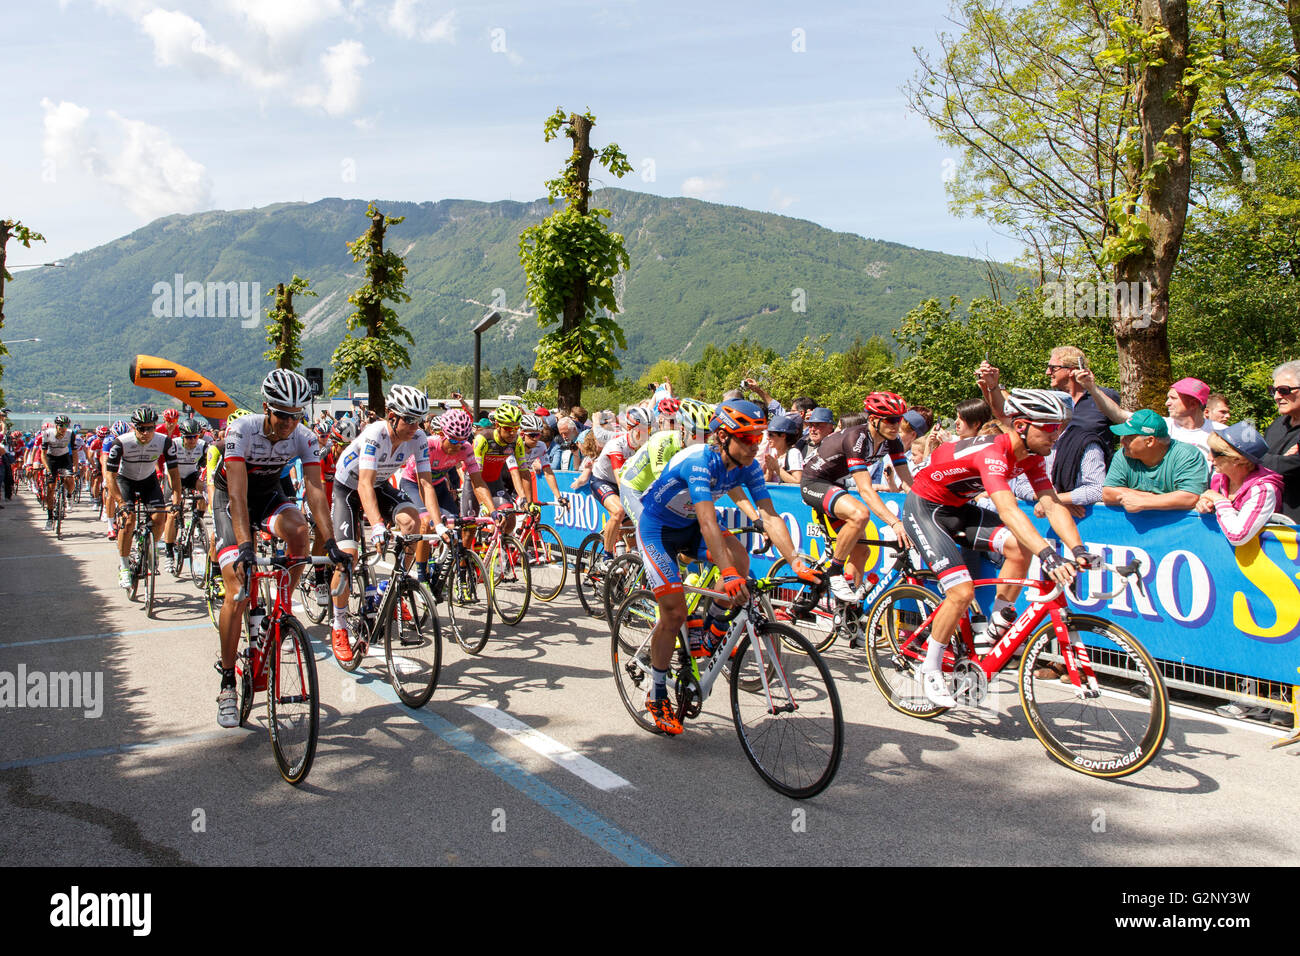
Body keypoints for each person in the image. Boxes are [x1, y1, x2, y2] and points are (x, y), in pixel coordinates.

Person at [636, 399, 820, 734]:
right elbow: (708, 522)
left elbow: (769, 515)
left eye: (759, 437)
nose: (756, 445)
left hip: (689, 525)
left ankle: (708, 628)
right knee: (674, 613)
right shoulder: (698, 463)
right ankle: (657, 690)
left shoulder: (746, 466)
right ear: (723, 436)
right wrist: (729, 574)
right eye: (747, 438)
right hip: (658, 530)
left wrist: (795, 559)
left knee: (741, 559)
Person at [902, 389, 1094, 706]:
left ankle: (991, 628)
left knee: (1020, 547)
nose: (1055, 435)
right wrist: (1049, 555)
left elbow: (1052, 504)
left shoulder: (1032, 457)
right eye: (1048, 427)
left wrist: (1078, 549)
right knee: (961, 592)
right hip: (925, 509)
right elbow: (1008, 511)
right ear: (1021, 427)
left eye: (1058, 427)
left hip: (959, 508)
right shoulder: (993, 454)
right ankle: (930, 667)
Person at [212, 369, 343, 728]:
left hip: (270, 494)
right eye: (282, 414)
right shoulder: (243, 430)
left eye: (296, 415)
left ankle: (280, 611)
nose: (289, 422)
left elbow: (316, 491)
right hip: (232, 498)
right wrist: (245, 547)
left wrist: (329, 540)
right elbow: (237, 496)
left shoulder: (304, 436)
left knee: (300, 530)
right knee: (237, 590)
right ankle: (226, 682)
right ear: (267, 407)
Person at [327, 385, 443, 662]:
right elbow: (363, 485)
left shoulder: (418, 438)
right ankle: (339, 625)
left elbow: (426, 484)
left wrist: (438, 526)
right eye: (409, 420)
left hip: (378, 486)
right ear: (391, 416)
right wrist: (377, 525)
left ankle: (391, 588)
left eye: (419, 420)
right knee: (348, 558)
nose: (415, 426)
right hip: (349, 489)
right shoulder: (374, 434)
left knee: (412, 522)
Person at [800, 392, 915, 602]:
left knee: (862, 552)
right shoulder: (857, 438)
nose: (896, 426)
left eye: (899, 420)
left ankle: (848, 608)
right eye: (890, 420)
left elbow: (908, 483)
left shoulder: (893, 441)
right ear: (873, 420)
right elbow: (865, 490)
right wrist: (895, 523)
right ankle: (834, 572)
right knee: (860, 514)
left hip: (836, 485)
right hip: (815, 483)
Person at [106, 407, 182, 588]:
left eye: (150, 428)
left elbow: (174, 473)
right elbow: (110, 476)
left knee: (160, 517)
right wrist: (121, 503)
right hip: (126, 481)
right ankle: (124, 567)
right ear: (134, 427)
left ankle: (150, 548)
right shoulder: (120, 443)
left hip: (149, 480)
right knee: (129, 520)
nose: (146, 433)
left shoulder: (165, 442)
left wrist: (176, 501)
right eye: (141, 428)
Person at [1195, 422, 1288, 546]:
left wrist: (1219, 500)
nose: (1209, 458)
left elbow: (1238, 536)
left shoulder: (1264, 490)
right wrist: (1204, 506)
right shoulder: (1220, 479)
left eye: (1215, 453)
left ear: (1237, 459)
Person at [1101, 409, 1210, 512]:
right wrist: (1150, 497)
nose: (1123, 441)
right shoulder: (1123, 455)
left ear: (1150, 441)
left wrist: (1143, 502)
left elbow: (1190, 497)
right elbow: (1108, 493)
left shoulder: (1187, 455)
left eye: (1129, 438)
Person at [1261, 360, 1300, 522]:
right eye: (1273, 390)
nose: (1277, 396)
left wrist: (1253, 459)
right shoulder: (1277, 426)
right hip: (1272, 522)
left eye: (1284, 390)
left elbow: (1292, 465)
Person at [1162, 377, 1224, 465]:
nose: (1167, 403)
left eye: (1173, 398)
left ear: (1193, 404)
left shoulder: (1222, 433)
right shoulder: (1162, 427)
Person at [762, 413, 804, 483]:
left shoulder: (793, 453)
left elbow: (797, 481)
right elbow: (767, 479)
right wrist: (770, 471)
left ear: (783, 436)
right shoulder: (773, 452)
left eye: (771, 435)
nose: (767, 438)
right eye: (767, 434)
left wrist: (777, 467)